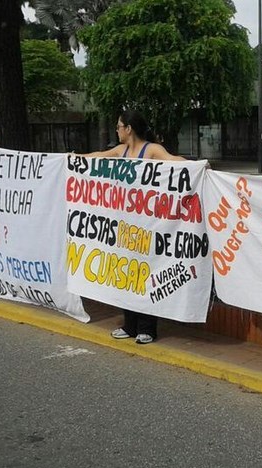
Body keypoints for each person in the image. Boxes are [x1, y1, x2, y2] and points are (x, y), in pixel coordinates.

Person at [81, 110, 185, 345]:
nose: (117, 130)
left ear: (129, 128)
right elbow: (99, 156)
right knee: (126, 274)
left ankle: (147, 328)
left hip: (147, 227)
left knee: (145, 275)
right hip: (125, 227)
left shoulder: (152, 150)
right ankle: (129, 325)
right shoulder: (121, 151)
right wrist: (73, 158)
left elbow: (171, 161)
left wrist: (196, 166)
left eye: (119, 126)